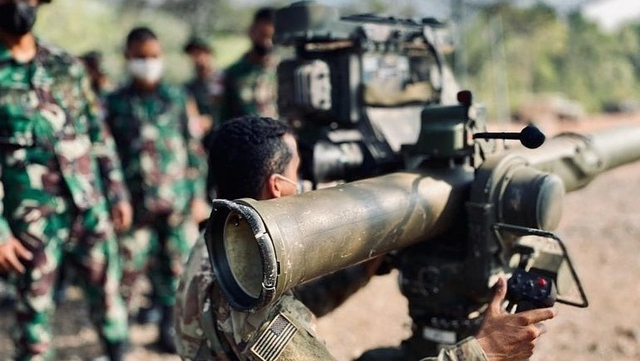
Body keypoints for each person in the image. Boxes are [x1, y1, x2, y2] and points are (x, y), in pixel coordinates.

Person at [174, 116, 556, 361]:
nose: (305, 185)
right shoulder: (253, 303)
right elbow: (265, 320)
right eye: (298, 172)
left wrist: (366, 263)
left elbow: (297, 300)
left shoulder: (220, 239)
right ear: (277, 187)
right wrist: (484, 351)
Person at [0, 1, 133, 360]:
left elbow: (96, 132)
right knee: (34, 325)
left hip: (89, 206)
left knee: (110, 304)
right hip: (30, 222)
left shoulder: (65, 64)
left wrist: (117, 192)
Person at [104, 26, 209, 353]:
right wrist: (115, 198)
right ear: (127, 57)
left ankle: (169, 330)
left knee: (177, 271)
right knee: (125, 274)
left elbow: (194, 150)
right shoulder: (115, 103)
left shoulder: (178, 98)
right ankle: (118, 339)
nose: (147, 63)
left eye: (153, 57)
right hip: (134, 207)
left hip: (176, 204)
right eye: (140, 57)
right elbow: (105, 154)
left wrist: (198, 196)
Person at [217, 7, 279, 122]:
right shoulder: (233, 73)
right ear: (252, 32)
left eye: (272, 37)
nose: (267, 43)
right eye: (263, 35)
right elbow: (223, 115)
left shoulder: (284, 71)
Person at [183, 35, 222, 142]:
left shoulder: (226, 81)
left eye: (200, 52)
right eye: (193, 54)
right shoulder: (188, 88)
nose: (197, 58)